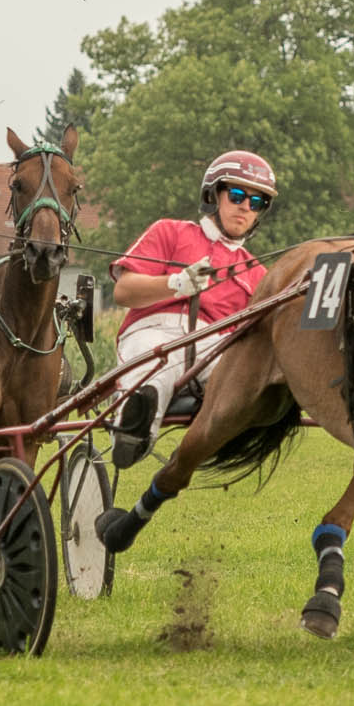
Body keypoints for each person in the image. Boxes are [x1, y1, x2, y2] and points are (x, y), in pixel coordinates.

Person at [105, 151, 275, 468]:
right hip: (155, 333)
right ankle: (131, 432)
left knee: (248, 373)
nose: (245, 207)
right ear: (213, 194)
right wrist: (176, 284)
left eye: (257, 203)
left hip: (216, 348)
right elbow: (123, 291)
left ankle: (204, 446)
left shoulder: (256, 273)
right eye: (237, 195)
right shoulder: (169, 232)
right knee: (155, 365)